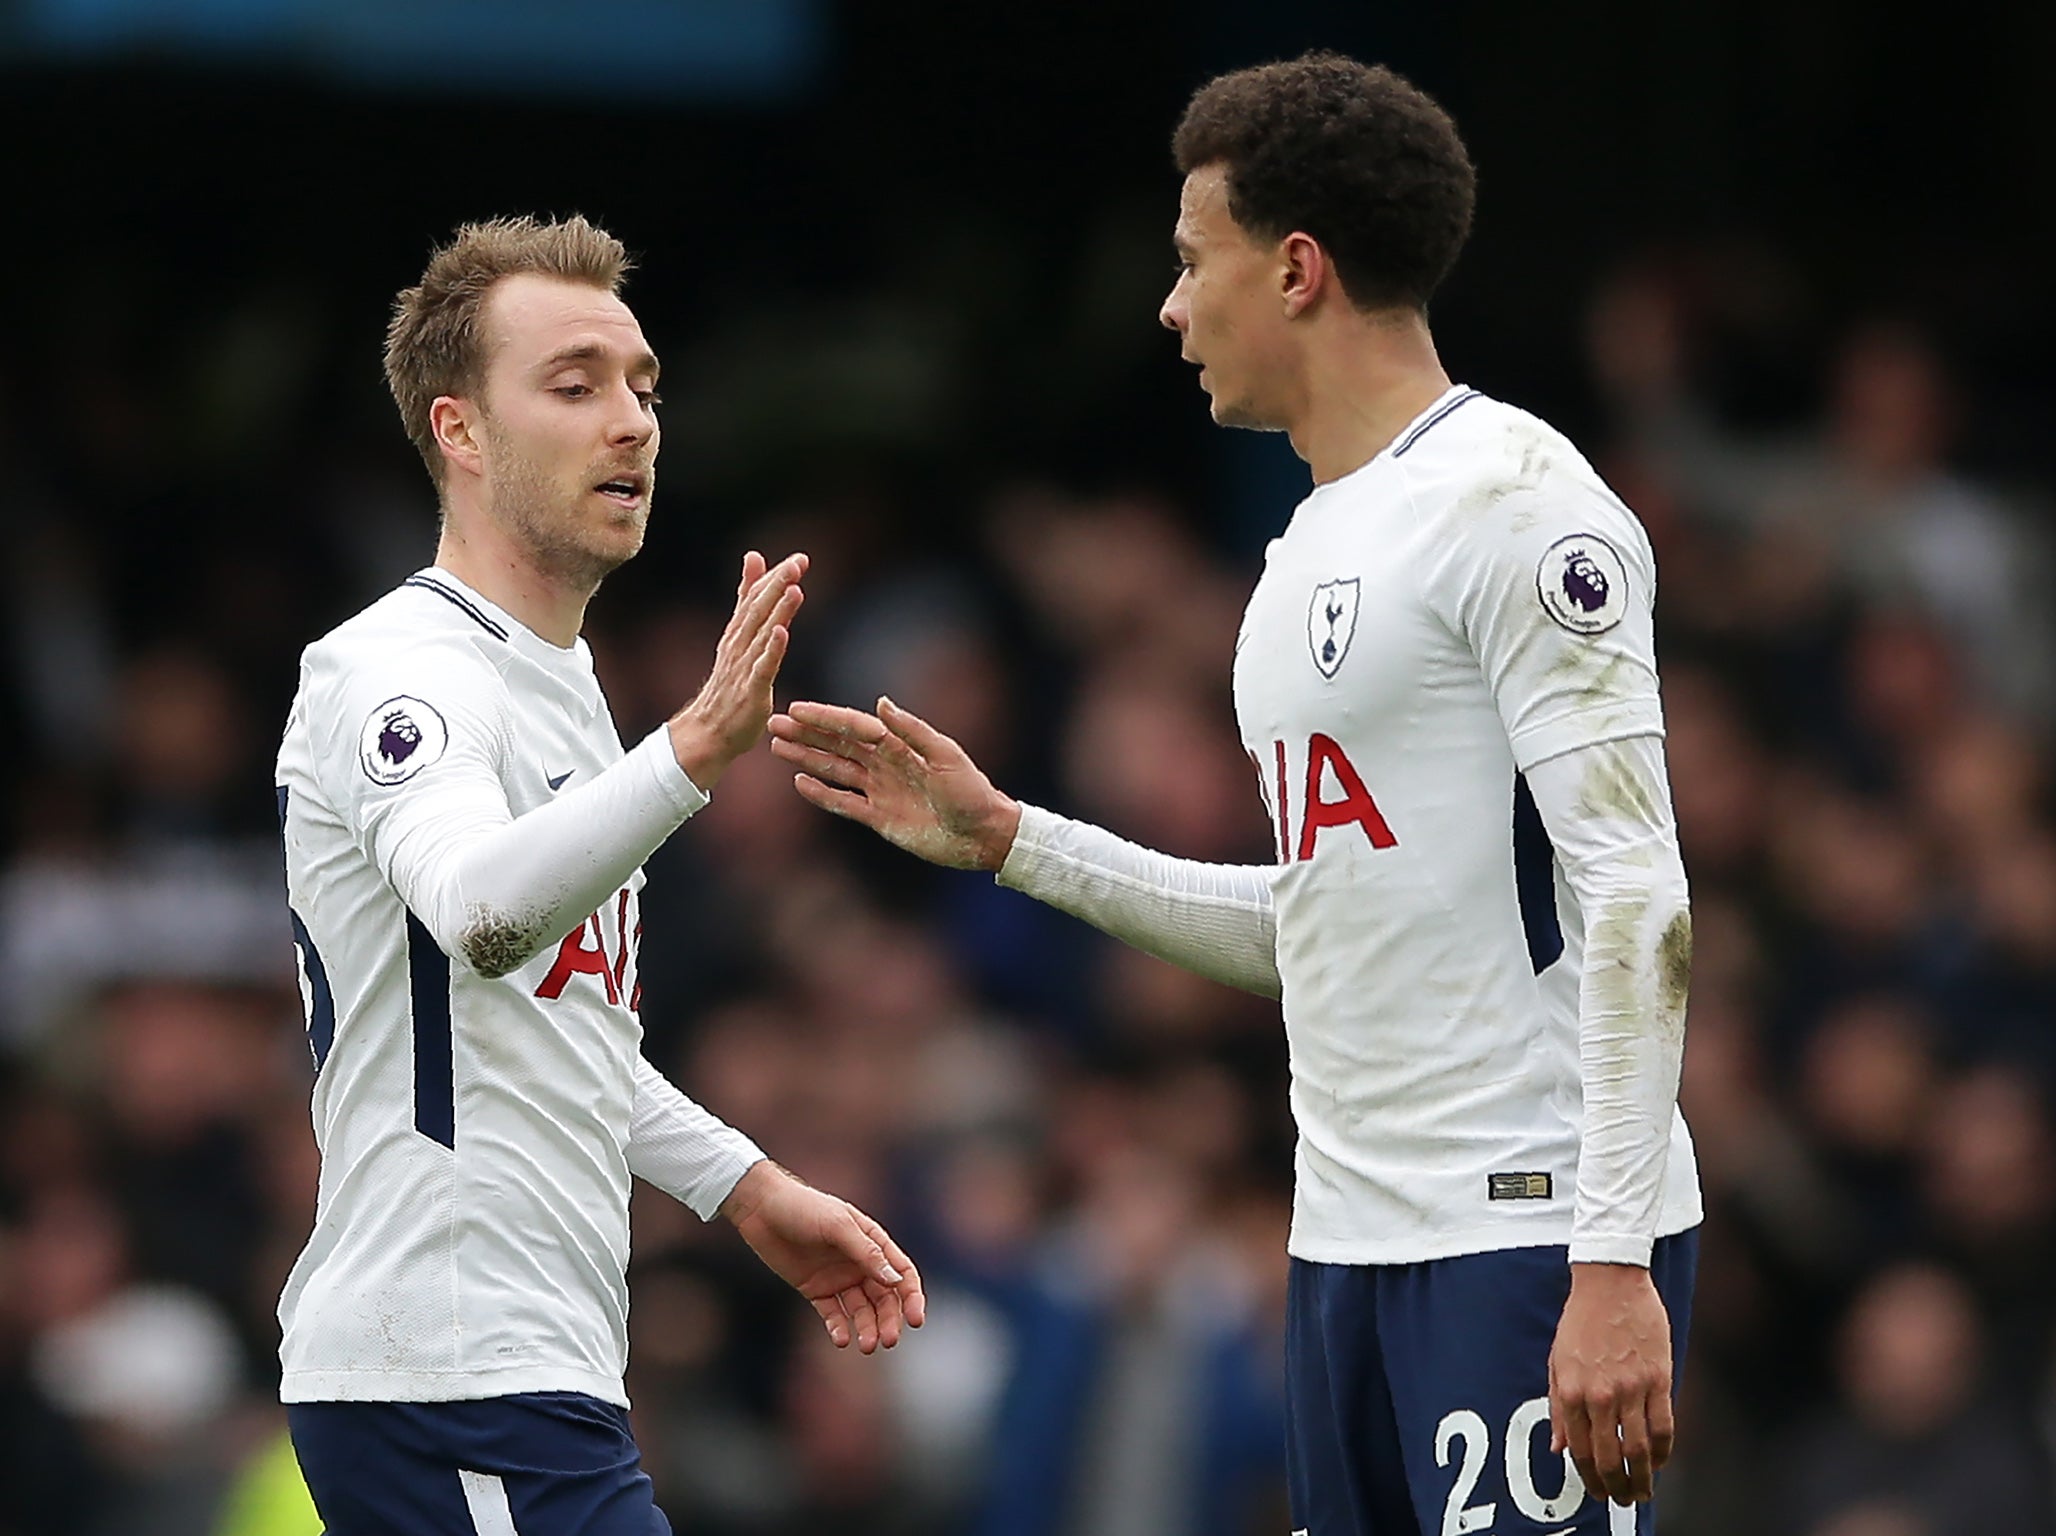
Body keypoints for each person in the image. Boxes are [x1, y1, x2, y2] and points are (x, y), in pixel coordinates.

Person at [770, 53, 1698, 1536]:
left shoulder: (1520, 506)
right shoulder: (1298, 567)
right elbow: (1319, 927)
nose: (1171, 304)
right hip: (1342, 1244)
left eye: (1193, 260)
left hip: (1524, 1231)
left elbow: (1638, 891)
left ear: (1300, 270)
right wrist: (1014, 842)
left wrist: (1610, 1260)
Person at [274, 214, 924, 1536]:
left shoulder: (561, 684)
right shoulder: (406, 671)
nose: (630, 421)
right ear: (460, 431)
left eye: (643, 387)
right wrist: (692, 750)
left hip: (518, 1373)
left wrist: (745, 1187)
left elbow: (554, 1037)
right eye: (573, 386)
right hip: (449, 1370)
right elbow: (483, 915)